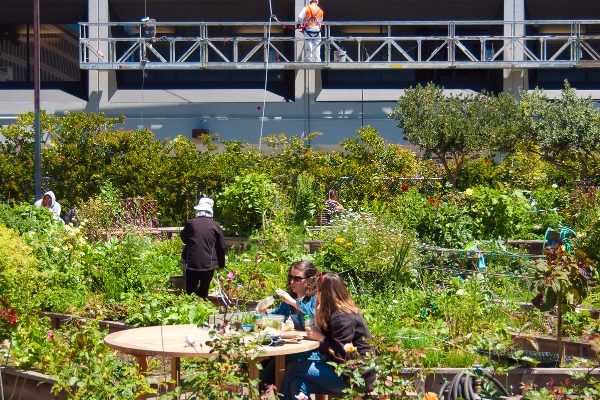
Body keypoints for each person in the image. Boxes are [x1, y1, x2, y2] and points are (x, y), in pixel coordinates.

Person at [281, 272, 374, 400]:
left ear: (324, 293)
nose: (316, 295)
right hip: (342, 371)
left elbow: (341, 354)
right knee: (297, 382)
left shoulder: (342, 317)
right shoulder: (336, 312)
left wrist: (321, 337)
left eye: (318, 291)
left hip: (354, 379)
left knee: (294, 367)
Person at [258, 261, 321, 396]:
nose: (292, 282)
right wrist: (263, 312)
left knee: (268, 370)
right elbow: (276, 318)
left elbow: (314, 316)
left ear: (309, 280)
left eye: (297, 279)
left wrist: (293, 302)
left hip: (310, 352)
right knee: (259, 365)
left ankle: (272, 392)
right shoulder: (290, 299)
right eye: (290, 278)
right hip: (288, 349)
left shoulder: (315, 299)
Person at [180, 197, 227, 298]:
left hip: (192, 263)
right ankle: (202, 306)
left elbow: (184, 238)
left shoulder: (190, 223)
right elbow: (221, 247)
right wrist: (221, 265)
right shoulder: (215, 226)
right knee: (203, 291)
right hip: (208, 265)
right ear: (210, 211)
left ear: (198, 210)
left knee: (190, 291)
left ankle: (189, 307)